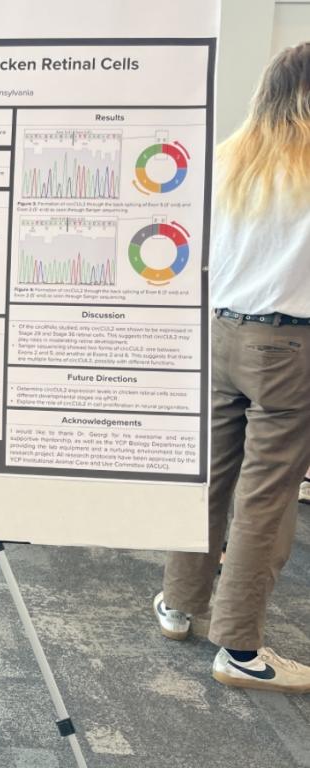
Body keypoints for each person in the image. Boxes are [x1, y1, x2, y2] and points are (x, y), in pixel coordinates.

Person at [153, 42, 310, 694]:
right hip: (289, 348)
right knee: (265, 500)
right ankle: (239, 649)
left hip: (220, 334)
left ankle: (178, 603)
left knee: (212, 479)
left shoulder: (225, 160)